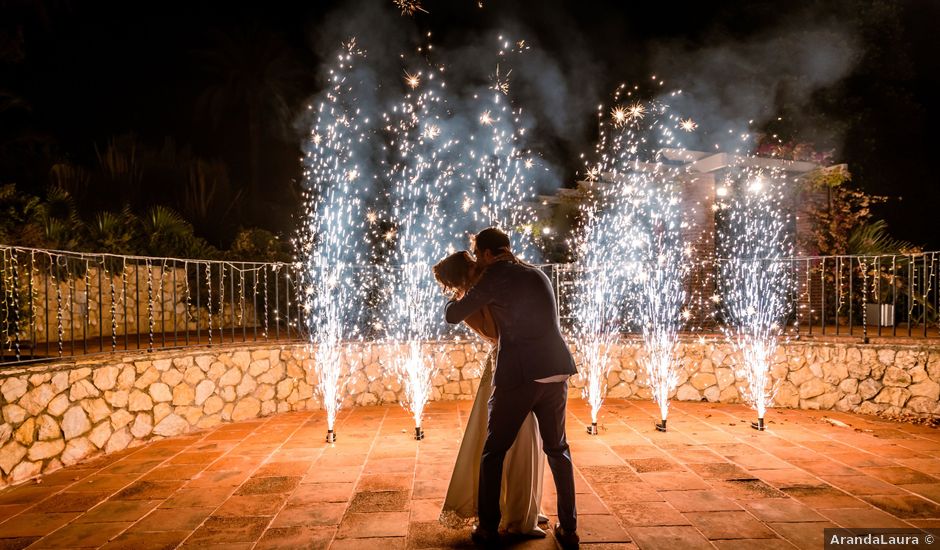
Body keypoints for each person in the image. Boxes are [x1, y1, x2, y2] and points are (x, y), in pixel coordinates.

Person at [444, 227, 580, 549]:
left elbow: (453, 316)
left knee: (493, 452)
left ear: (490, 253)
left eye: (479, 255)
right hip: (557, 371)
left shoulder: (496, 276)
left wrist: (460, 291)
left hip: (520, 375)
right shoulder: (536, 273)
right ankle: (569, 529)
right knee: (558, 450)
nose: (479, 261)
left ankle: (488, 528)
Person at [433, 251, 547, 537]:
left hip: (513, 364)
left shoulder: (482, 292)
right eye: (472, 264)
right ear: (464, 274)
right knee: (516, 440)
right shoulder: (472, 302)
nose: (478, 265)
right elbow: (498, 331)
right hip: (507, 368)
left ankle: (522, 507)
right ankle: (516, 517)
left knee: (524, 438)